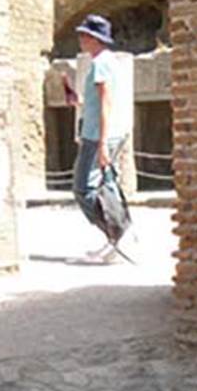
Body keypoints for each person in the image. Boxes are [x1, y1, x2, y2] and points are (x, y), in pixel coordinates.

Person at [71, 14, 130, 262]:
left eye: (85, 36)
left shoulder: (100, 64)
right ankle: (113, 239)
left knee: (84, 189)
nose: (81, 40)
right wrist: (78, 101)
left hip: (98, 137)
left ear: (95, 39)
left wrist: (103, 143)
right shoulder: (107, 62)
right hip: (103, 133)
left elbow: (106, 103)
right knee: (103, 187)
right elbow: (98, 103)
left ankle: (116, 236)